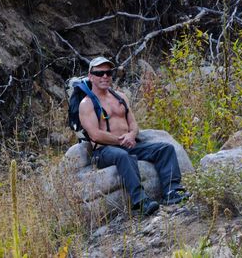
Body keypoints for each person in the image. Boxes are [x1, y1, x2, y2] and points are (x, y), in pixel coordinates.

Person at [79, 57, 190, 216]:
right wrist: (120, 140)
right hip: (104, 151)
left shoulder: (120, 97)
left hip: (129, 143)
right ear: (90, 76)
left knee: (165, 149)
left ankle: (172, 192)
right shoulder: (87, 103)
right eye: (99, 73)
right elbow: (95, 135)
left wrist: (131, 135)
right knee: (123, 156)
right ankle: (141, 201)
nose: (105, 76)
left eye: (108, 73)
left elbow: (133, 123)